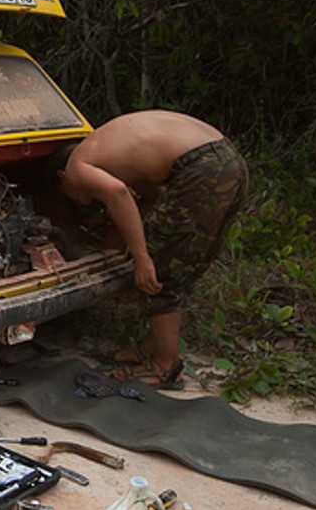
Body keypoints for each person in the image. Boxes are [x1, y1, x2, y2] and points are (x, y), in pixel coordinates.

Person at [51, 110, 249, 388]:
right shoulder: (108, 151)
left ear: (62, 177)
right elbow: (152, 198)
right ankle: (150, 347)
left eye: (69, 195)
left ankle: (165, 366)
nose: (81, 199)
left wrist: (143, 258)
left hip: (202, 167)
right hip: (228, 160)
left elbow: (118, 194)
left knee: (161, 269)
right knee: (186, 260)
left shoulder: (77, 166)